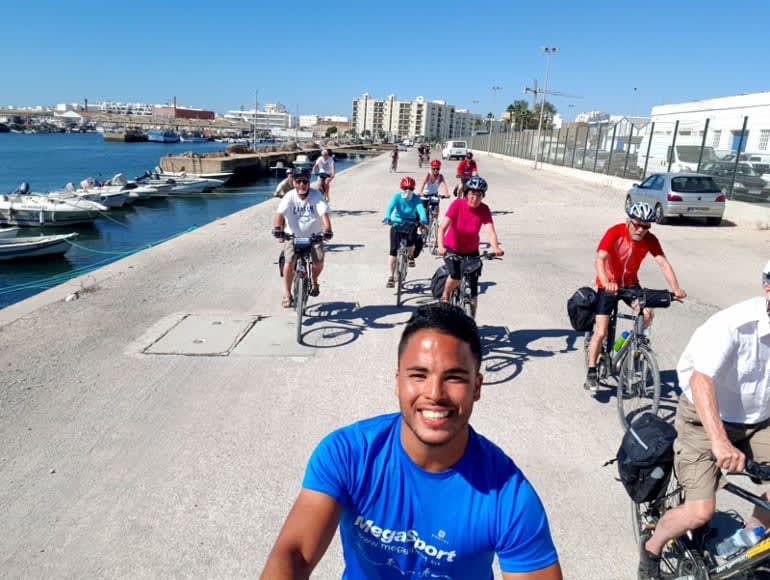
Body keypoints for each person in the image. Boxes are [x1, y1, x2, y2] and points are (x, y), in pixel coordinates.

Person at [260, 303, 562, 579]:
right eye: (419, 375)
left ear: (477, 387)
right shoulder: (348, 454)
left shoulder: (508, 495)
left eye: (454, 377)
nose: (435, 393)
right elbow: (296, 554)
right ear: (398, 382)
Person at [638, 260, 770, 580]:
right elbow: (701, 381)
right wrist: (720, 441)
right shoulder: (733, 324)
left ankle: (745, 546)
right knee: (700, 512)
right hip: (703, 416)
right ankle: (652, 547)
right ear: (768, 289)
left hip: (759, 420)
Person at [583, 201, 687, 393]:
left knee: (647, 313)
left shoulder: (650, 240)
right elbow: (600, 259)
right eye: (637, 224)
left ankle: (633, 344)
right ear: (628, 221)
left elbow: (663, 263)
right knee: (601, 331)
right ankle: (591, 370)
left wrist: (676, 288)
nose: (641, 229)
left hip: (630, 284)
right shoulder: (615, 231)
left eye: (646, 226)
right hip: (608, 285)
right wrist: (606, 281)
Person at [437, 176, 504, 309]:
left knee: (473, 289)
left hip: (472, 250)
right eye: (472, 194)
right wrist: (440, 246)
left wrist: (496, 247)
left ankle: (471, 318)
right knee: (455, 276)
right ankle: (446, 293)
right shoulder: (457, 205)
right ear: (466, 193)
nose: (475, 198)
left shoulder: (484, 209)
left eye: (479, 195)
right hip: (452, 248)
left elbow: (490, 230)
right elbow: (442, 228)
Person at [272, 167, 333, 308]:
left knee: (318, 263)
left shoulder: (316, 195)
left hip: (314, 237)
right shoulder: (289, 196)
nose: (301, 185)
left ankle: (313, 280)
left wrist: (328, 230)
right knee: (289, 263)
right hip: (292, 236)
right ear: (293, 182)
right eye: (298, 181)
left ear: (308, 182)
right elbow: (279, 214)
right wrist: (277, 229)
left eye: (304, 181)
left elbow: (323, 214)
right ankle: (287, 294)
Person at [383, 176, 428, 287]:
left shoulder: (416, 199)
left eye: (410, 189)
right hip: (397, 223)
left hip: (410, 223)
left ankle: (410, 256)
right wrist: (387, 217)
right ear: (401, 188)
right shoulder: (397, 197)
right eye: (405, 189)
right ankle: (391, 277)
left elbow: (421, 210)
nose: (407, 191)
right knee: (393, 250)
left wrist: (423, 218)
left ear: (413, 189)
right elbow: (390, 208)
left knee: (411, 242)